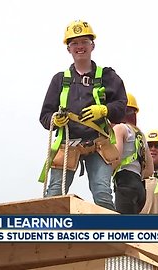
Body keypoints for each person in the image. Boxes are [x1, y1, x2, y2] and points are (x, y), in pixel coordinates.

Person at [39, 20, 127, 211]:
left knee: (102, 193)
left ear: (92, 45)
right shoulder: (60, 80)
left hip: (98, 144)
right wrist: (55, 119)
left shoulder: (107, 77)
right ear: (68, 48)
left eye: (84, 42)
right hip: (68, 144)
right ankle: (47, 235)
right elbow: (45, 116)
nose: (80, 47)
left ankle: (109, 236)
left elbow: (121, 107)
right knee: (54, 193)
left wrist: (104, 110)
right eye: (75, 43)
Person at [112, 93, 154, 214]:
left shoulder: (119, 128)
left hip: (125, 183)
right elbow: (149, 170)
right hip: (140, 188)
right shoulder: (140, 134)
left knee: (123, 228)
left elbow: (116, 158)